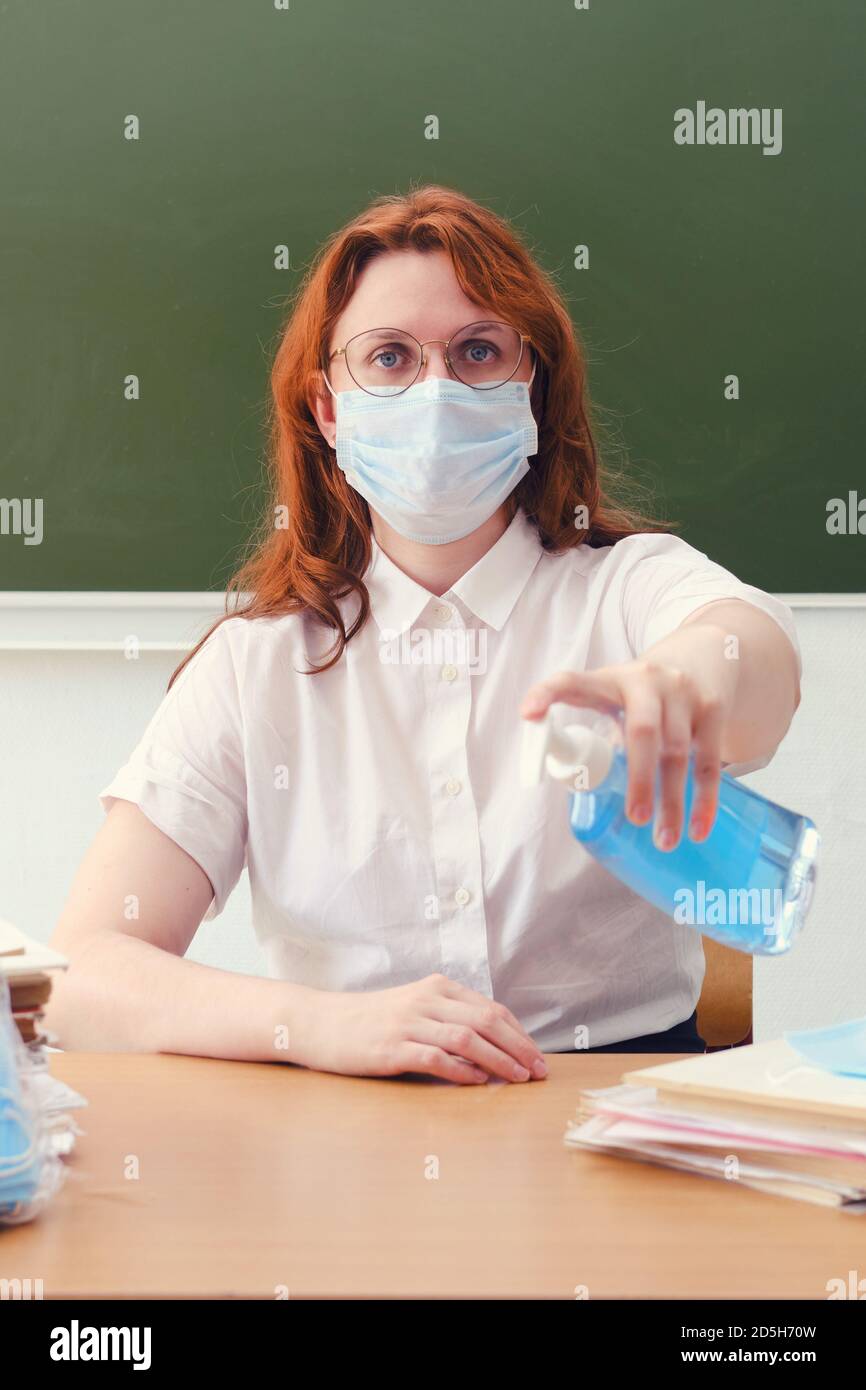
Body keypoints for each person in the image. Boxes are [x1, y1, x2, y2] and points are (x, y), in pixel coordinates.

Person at [46, 186, 801, 1083]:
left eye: (479, 351)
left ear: (533, 385)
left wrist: (683, 681)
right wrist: (320, 1026)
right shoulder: (257, 667)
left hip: (613, 1108)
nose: (435, 390)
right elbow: (85, 971)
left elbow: (754, 658)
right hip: (349, 1124)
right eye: (390, 358)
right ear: (330, 413)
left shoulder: (626, 589)